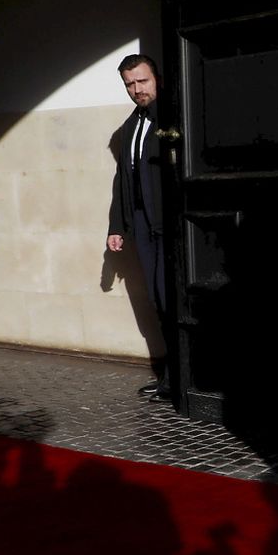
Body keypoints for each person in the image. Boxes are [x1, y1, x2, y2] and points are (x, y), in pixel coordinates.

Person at [107, 54, 170, 400]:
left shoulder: (173, 116)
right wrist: (117, 226)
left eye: (142, 81)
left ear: (156, 78)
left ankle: (188, 377)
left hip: (170, 225)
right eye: (129, 84)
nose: (137, 89)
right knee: (157, 300)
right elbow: (123, 180)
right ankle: (171, 378)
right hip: (143, 226)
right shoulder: (131, 126)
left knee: (170, 298)